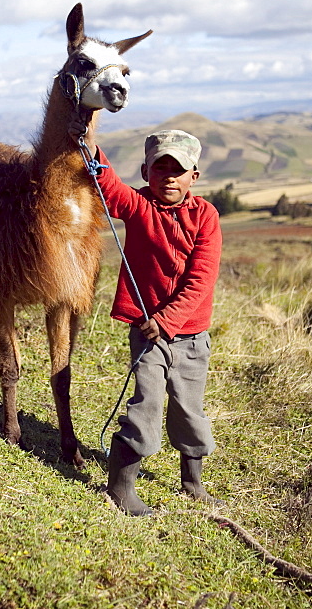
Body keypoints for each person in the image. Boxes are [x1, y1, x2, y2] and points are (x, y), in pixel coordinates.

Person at [74, 124, 224, 516]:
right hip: (149, 338)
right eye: (161, 168)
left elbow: (201, 279)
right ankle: (121, 490)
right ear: (146, 172)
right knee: (148, 404)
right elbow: (110, 189)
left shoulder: (206, 217)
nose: (169, 177)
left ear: (195, 176)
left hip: (192, 338)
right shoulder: (139, 207)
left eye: (178, 170)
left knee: (190, 410)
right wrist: (90, 144)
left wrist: (168, 319)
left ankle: (193, 483)